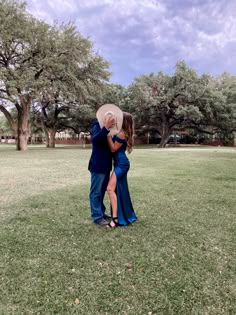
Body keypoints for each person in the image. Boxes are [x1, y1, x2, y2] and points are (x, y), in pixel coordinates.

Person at [106, 112, 137, 227]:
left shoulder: (122, 134)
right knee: (120, 189)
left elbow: (113, 149)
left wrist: (107, 135)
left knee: (110, 189)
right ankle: (124, 214)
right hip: (120, 163)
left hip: (121, 164)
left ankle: (115, 219)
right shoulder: (120, 131)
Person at [88, 113, 115, 226]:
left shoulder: (112, 128)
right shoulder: (96, 125)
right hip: (98, 165)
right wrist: (106, 127)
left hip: (106, 165)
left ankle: (101, 212)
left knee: (102, 191)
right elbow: (96, 140)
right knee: (96, 192)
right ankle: (97, 217)